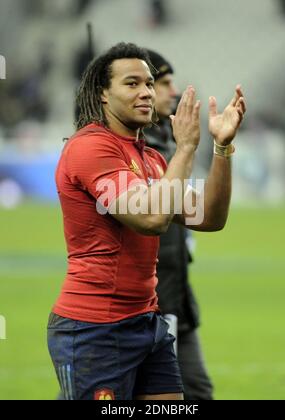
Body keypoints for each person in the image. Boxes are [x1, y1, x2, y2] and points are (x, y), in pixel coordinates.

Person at [47, 42, 246, 400]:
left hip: (146, 321)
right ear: (102, 94)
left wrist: (222, 148)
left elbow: (212, 217)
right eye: (131, 83)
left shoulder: (152, 159)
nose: (146, 92)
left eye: (150, 83)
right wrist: (185, 149)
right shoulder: (90, 148)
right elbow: (152, 219)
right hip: (94, 329)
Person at [144, 49, 213, 400]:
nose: (173, 91)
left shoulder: (169, 142)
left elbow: (204, 216)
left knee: (198, 390)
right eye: (164, 82)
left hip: (177, 293)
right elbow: (156, 217)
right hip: (142, 303)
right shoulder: (130, 150)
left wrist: (223, 148)